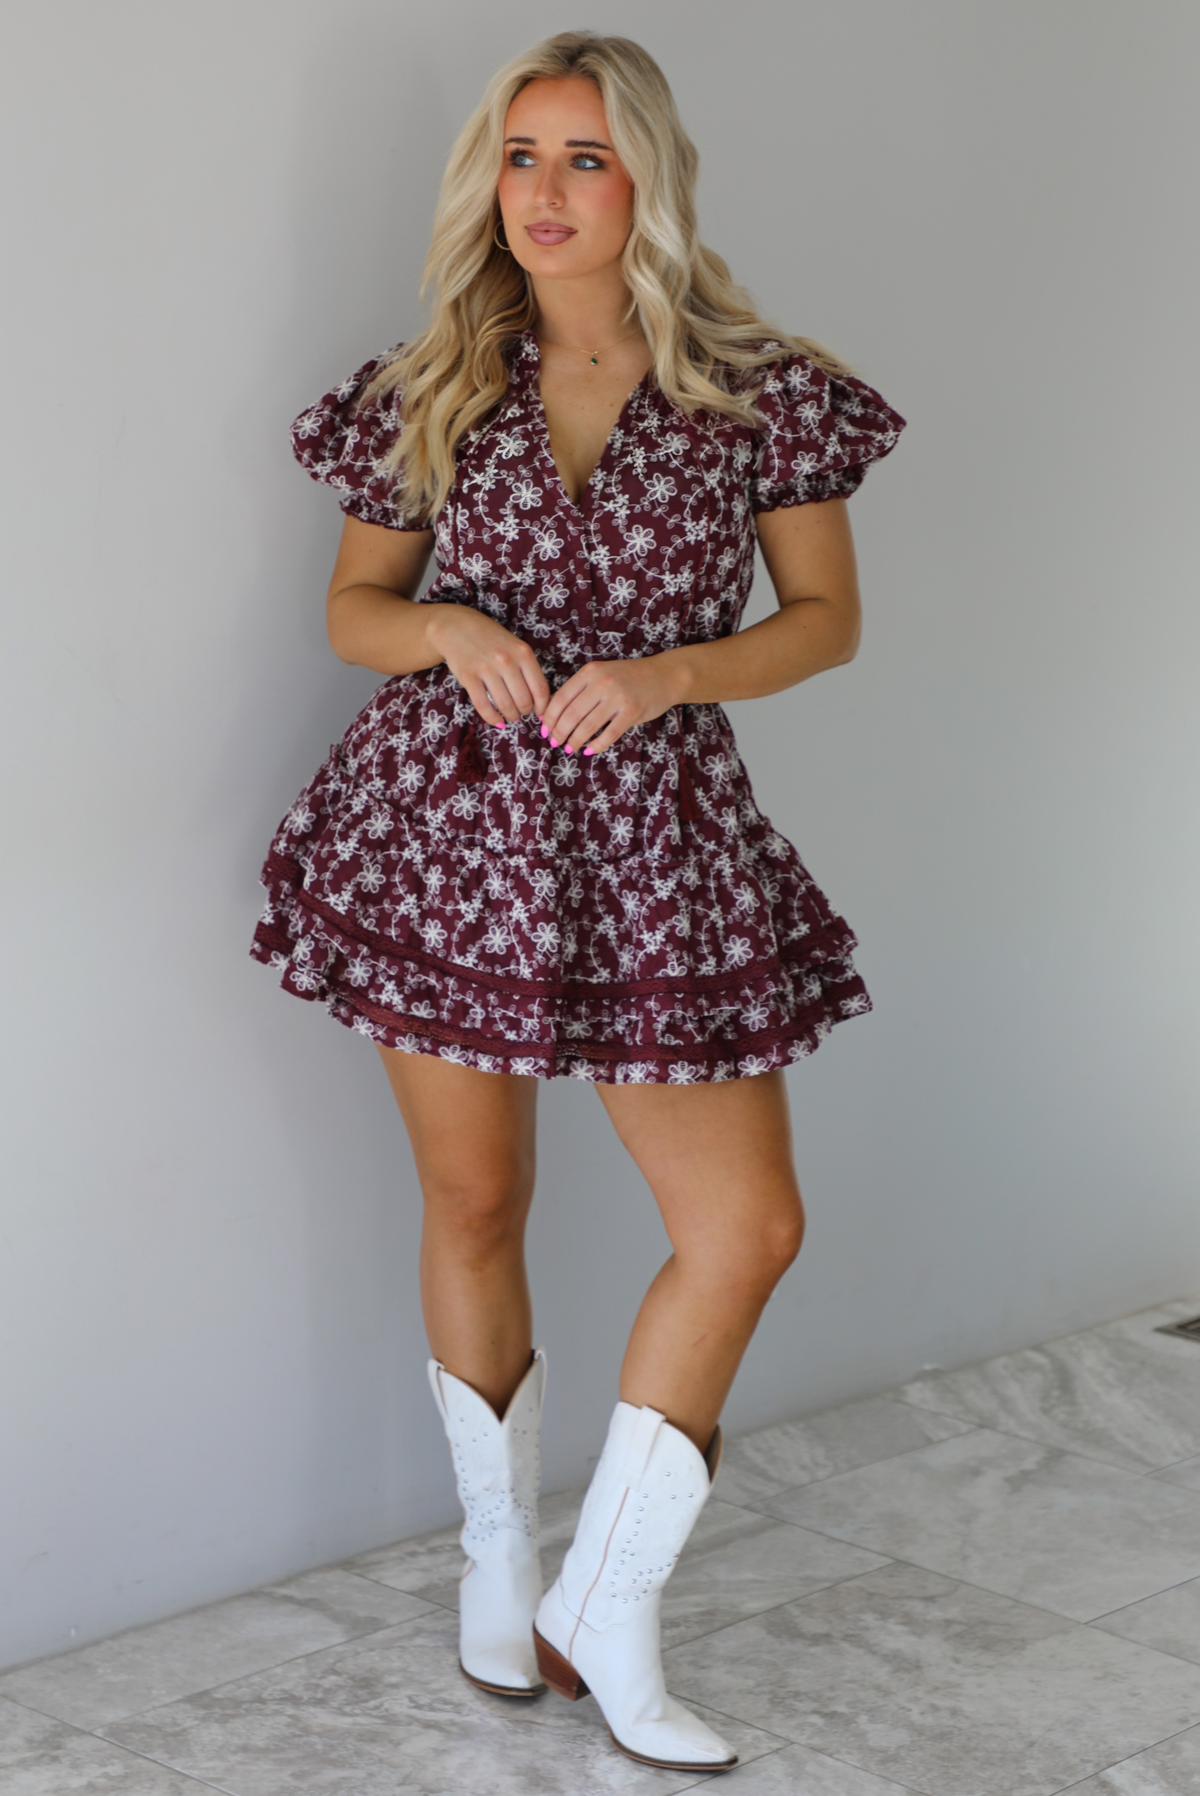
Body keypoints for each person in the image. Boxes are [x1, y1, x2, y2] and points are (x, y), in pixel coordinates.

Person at [251, 29, 904, 1775]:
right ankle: (499, 1568)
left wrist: (682, 669)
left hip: (659, 848)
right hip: (442, 835)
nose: (546, 194)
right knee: (475, 1202)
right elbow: (356, 614)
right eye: (523, 157)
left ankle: (604, 1603)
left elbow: (825, 617)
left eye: (586, 160)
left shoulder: (762, 390)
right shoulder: (431, 380)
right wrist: (451, 627)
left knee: (744, 1226)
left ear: (650, 183)